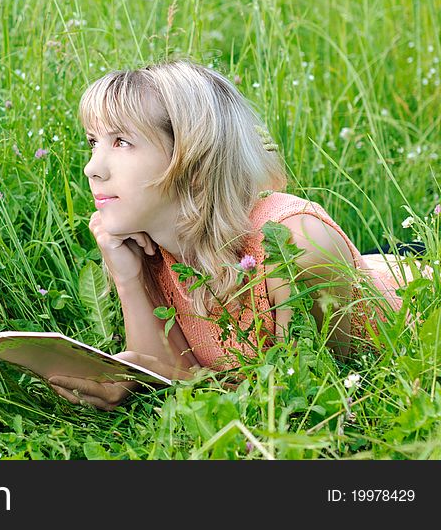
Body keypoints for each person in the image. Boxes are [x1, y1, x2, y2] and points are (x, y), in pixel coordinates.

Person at [48, 60, 434, 411]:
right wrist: (128, 278)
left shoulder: (294, 246)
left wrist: (156, 381)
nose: (92, 168)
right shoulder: (146, 241)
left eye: (121, 142)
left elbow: (307, 397)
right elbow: (167, 367)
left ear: (194, 157)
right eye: (93, 142)